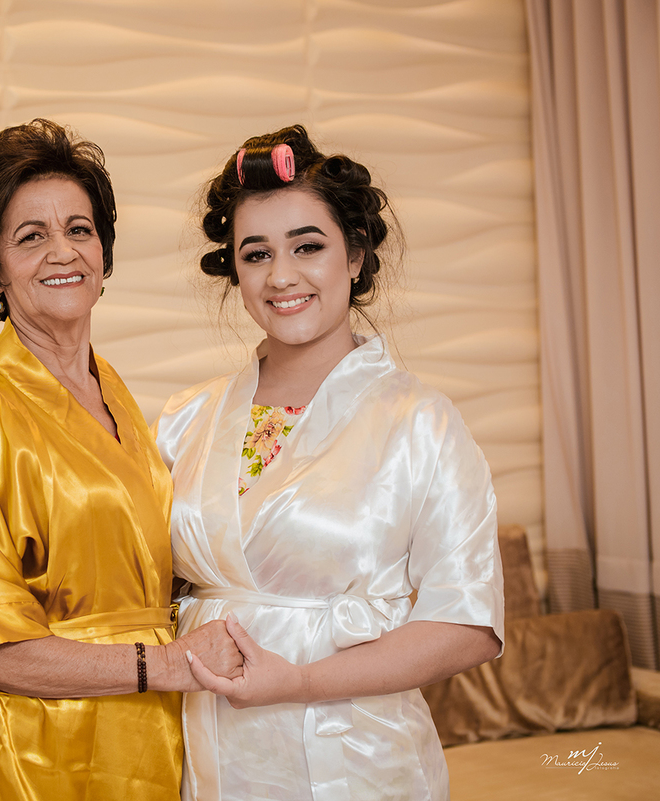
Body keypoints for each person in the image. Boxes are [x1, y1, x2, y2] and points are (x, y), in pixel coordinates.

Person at [153, 125, 504, 800]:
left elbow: (468, 626)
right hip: (207, 753)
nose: (281, 275)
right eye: (256, 253)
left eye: (307, 246)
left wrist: (301, 680)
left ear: (356, 254)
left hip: (357, 759)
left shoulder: (421, 422)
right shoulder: (184, 419)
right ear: (235, 270)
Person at [0, 118, 242, 801]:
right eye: (31, 236)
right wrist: (171, 664)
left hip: (145, 742)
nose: (63, 251)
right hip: (34, 761)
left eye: (79, 229)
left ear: (103, 253)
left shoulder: (109, 387)